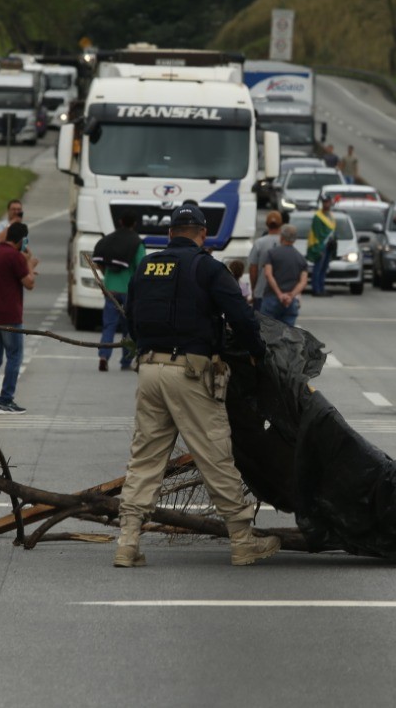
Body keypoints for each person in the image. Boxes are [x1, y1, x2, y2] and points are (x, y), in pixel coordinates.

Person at [115, 204, 278, 568]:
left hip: (149, 369)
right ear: (203, 234)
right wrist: (257, 353)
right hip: (190, 373)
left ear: (171, 232)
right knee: (214, 454)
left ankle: (127, 541)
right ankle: (241, 538)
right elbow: (240, 315)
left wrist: (144, 349)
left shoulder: (147, 266)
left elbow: (131, 315)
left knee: (145, 457)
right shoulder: (207, 267)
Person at [0, 221, 37, 414]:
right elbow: (29, 283)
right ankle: (5, 400)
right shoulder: (15, 257)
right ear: (22, 240)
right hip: (10, 315)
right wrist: (29, 264)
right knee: (14, 356)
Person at [92, 210, 144, 372]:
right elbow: (140, 267)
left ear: (120, 222)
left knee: (109, 325)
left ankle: (103, 356)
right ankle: (126, 361)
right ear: (134, 224)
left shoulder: (108, 240)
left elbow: (99, 262)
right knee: (128, 327)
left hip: (110, 290)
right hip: (128, 291)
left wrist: (106, 277)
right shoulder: (137, 243)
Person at [261, 224, 308, 326]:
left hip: (271, 297)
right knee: (288, 335)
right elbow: (303, 282)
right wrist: (291, 296)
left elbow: (268, 274)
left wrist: (279, 294)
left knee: (267, 333)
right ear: (295, 240)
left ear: (281, 237)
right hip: (290, 302)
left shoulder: (271, 253)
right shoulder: (301, 258)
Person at [247, 211, 284, 310]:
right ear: (281, 224)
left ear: (267, 224)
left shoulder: (259, 243)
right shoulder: (285, 243)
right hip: (282, 292)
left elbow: (253, 269)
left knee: (262, 324)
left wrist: (254, 288)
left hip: (261, 291)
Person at [307, 195, 337, 296]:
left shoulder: (331, 216)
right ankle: (316, 289)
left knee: (324, 268)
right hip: (321, 245)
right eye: (324, 202)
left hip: (329, 245)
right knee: (318, 268)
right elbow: (317, 232)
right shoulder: (318, 216)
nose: (326, 204)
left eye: (328, 202)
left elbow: (333, 231)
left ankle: (322, 288)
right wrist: (319, 247)